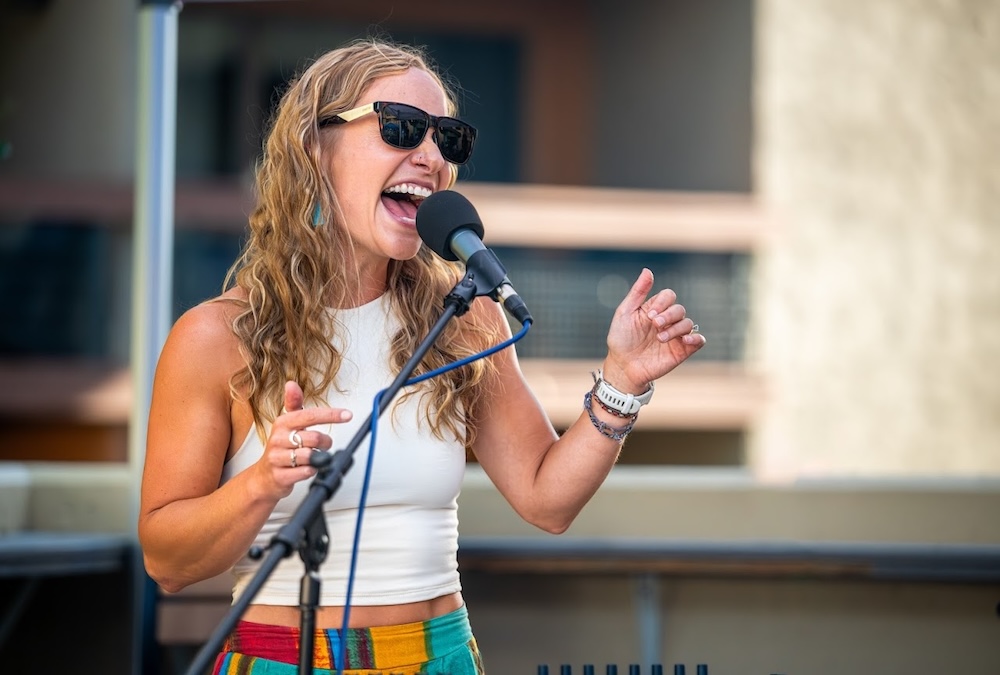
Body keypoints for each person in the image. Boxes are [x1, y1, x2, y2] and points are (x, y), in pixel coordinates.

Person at [138, 38, 706, 675]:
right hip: (285, 659)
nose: (431, 156)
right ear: (312, 149)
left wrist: (622, 384)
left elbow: (547, 500)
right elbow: (166, 562)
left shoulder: (463, 316)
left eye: (448, 139)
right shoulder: (217, 338)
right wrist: (261, 484)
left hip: (441, 655)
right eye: (400, 128)